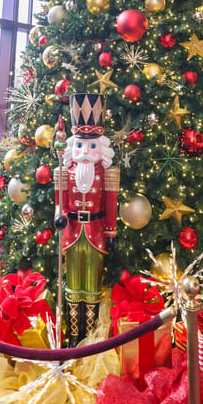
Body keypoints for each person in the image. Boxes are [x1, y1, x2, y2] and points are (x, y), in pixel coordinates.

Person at [54, 93, 120, 345]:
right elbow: (59, 202)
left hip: (95, 232)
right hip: (71, 232)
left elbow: (111, 204)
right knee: (73, 283)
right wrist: (59, 216)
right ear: (73, 147)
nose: (85, 151)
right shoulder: (64, 172)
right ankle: (73, 333)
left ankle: (89, 333)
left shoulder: (108, 173)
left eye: (92, 146)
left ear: (100, 149)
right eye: (80, 146)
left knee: (91, 282)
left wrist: (111, 233)